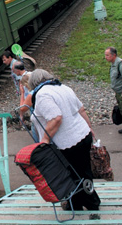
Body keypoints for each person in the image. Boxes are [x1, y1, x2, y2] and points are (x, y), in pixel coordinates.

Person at [28, 69, 101, 211]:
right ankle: (78, 204)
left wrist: (44, 140)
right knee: (83, 172)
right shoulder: (63, 87)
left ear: (34, 83)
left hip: (68, 142)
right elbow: (81, 109)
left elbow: (56, 118)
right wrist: (89, 128)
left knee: (72, 175)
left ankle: (91, 203)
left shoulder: (43, 94)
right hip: (83, 135)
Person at [104, 47, 122, 142]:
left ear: (114, 55)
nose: (105, 57)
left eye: (107, 55)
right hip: (119, 92)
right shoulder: (114, 64)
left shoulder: (121, 65)